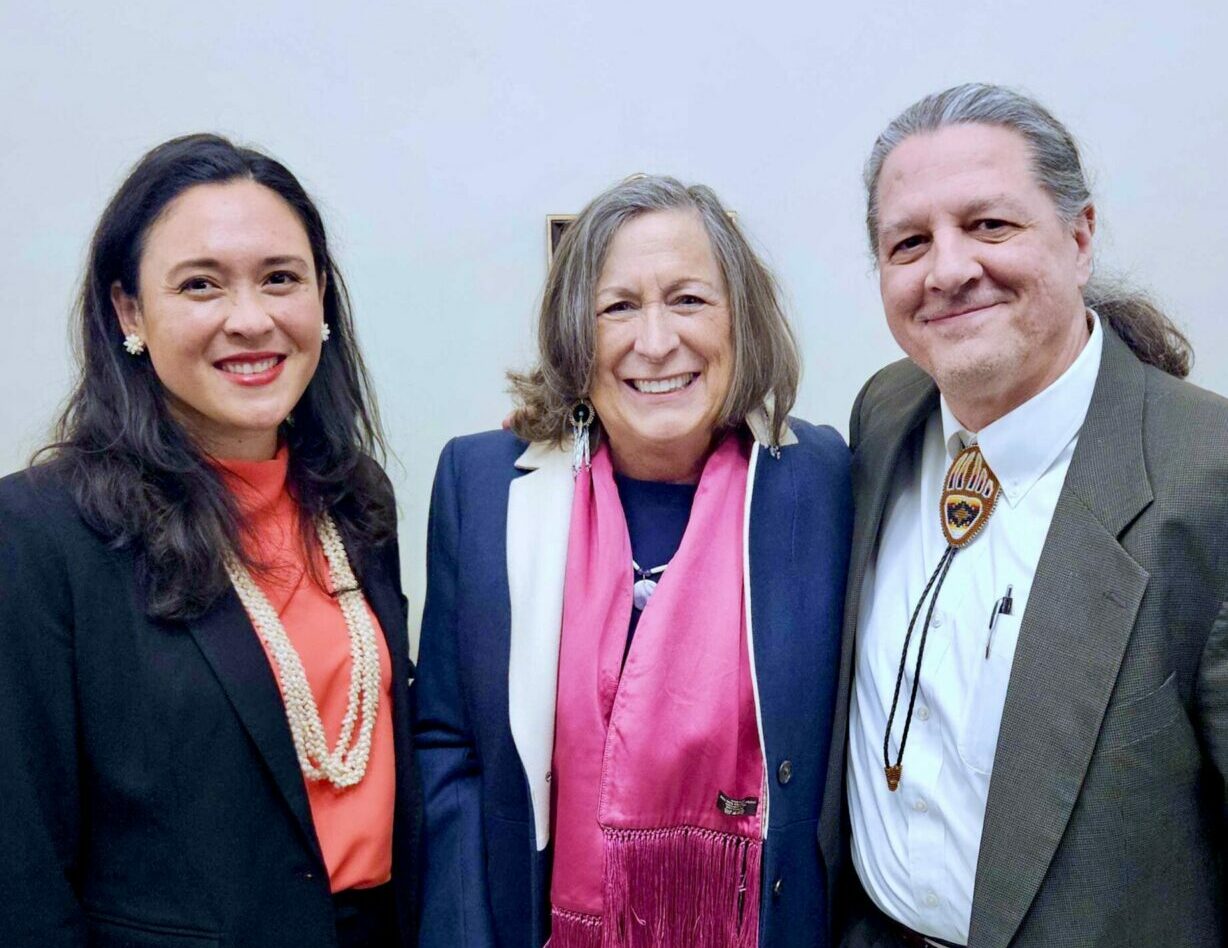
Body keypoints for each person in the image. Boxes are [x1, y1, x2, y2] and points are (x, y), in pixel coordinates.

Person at [824, 83, 1228, 947]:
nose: (948, 269)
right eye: (908, 242)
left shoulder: (1209, 479)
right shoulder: (885, 416)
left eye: (989, 226)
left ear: (1079, 238)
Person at [0, 134, 421, 947]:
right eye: (201, 285)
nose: (251, 319)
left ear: (322, 298)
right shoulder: (41, 533)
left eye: (280, 279)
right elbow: (19, 865)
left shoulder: (355, 499)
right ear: (130, 311)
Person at [414, 175, 851, 947]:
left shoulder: (821, 482)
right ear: (575, 338)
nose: (655, 342)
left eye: (688, 300)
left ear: (740, 321)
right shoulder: (483, 487)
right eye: (618, 307)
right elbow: (448, 747)